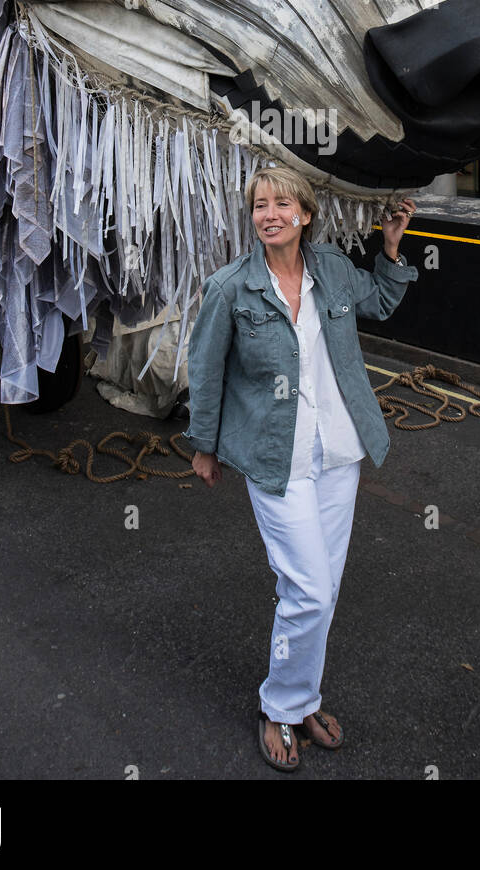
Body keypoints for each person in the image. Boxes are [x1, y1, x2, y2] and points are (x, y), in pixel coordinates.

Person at [183, 163, 417, 772]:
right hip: (274, 458)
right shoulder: (230, 288)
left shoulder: (333, 271)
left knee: (323, 589)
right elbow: (206, 373)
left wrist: (390, 248)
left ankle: (303, 698)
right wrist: (203, 446)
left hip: (338, 452)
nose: (270, 214)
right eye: (260, 205)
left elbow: (385, 301)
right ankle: (281, 707)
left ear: (305, 215)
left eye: (282, 204)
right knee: (309, 589)